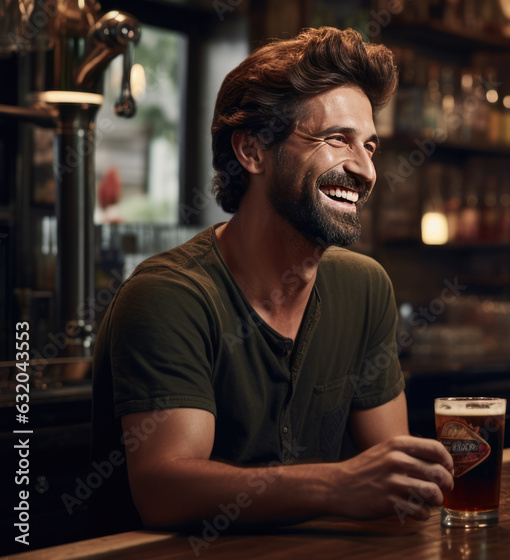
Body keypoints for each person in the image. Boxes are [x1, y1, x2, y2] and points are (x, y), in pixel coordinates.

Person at [88, 27, 453, 536]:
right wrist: (336, 486)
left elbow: (393, 478)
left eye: (369, 146)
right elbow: (162, 491)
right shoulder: (169, 296)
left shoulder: (365, 288)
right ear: (253, 151)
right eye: (336, 140)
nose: (366, 169)